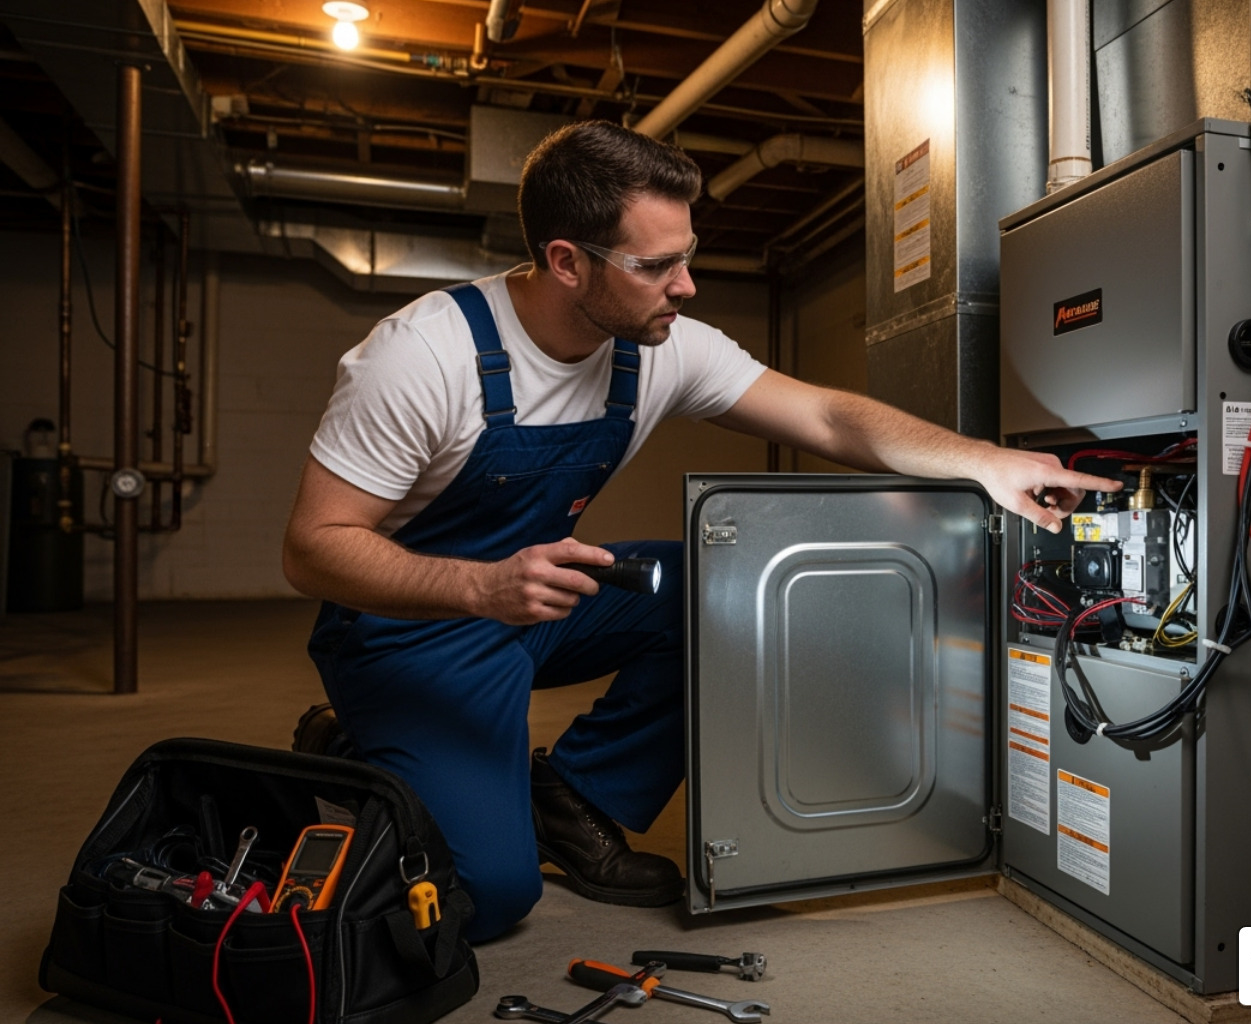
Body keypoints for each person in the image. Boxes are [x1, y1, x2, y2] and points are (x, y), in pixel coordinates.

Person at [282, 120, 1121, 942]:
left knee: (714, 585)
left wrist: (983, 462)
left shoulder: (661, 347)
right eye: (656, 266)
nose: (686, 287)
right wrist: (479, 586)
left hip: (537, 597)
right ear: (566, 262)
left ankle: (576, 801)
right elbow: (312, 547)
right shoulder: (423, 358)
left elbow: (827, 416)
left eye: (687, 254)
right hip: (411, 631)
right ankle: (353, 749)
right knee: (490, 898)